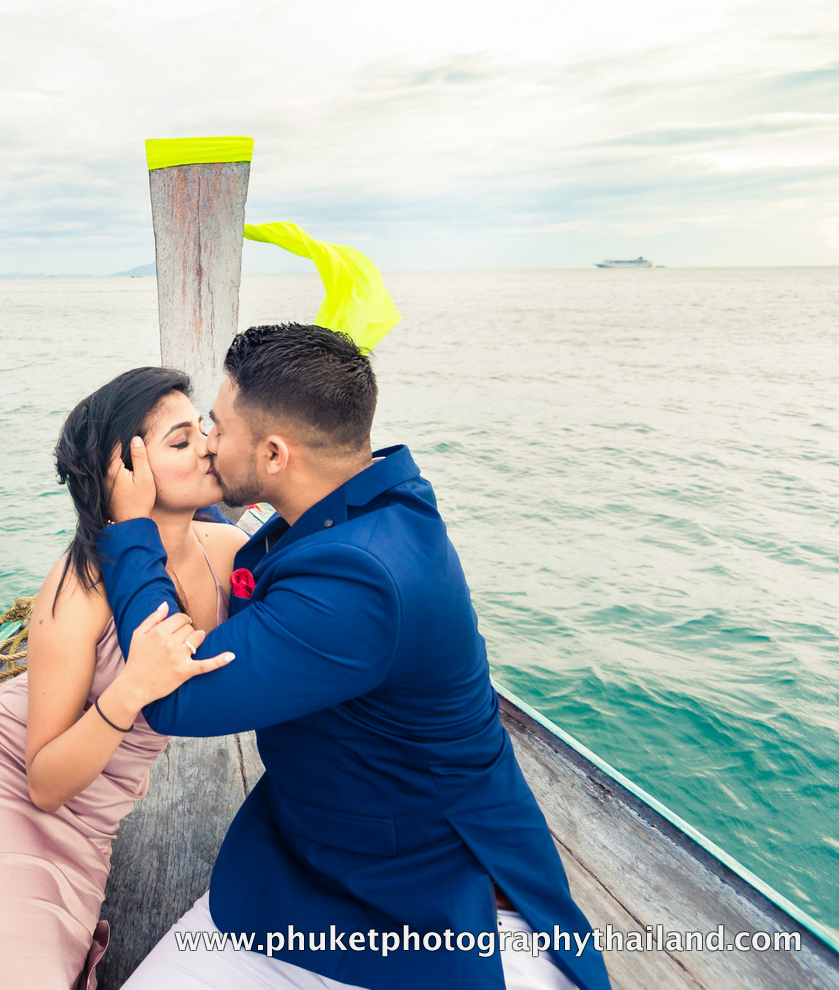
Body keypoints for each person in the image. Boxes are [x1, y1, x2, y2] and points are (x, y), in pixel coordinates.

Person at [97, 324, 611, 990]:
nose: (208, 442)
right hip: (311, 870)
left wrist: (131, 529)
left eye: (218, 426)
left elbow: (172, 693)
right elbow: (266, 555)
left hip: (433, 908)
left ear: (275, 454)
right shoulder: (360, 502)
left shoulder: (362, 579)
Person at [0, 366, 249, 990]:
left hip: (94, 814)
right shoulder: (79, 587)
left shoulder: (225, 552)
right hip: (10, 783)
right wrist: (131, 689)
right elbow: (43, 783)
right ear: (124, 474)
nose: (208, 444)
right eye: (181, 441)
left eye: (202, 427)